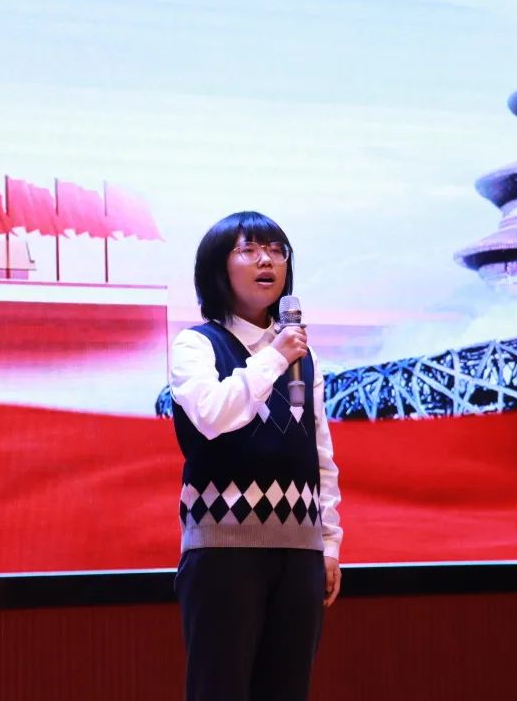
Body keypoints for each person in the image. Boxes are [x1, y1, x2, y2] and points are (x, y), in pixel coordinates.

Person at [169, 210, 342, 701]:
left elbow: (319, 453)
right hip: (223, 551)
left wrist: (329, 543)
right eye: (248, 250)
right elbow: (212, 414)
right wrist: (275, 356)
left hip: (300, 552)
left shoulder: (302, 356)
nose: (266, 261)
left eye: (275, 250)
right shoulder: (197, 344)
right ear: (217, 268)